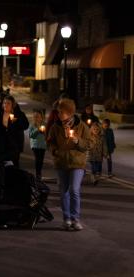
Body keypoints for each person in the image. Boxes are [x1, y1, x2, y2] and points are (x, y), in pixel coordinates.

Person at [47, 98, 91, 231]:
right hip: (61, 163)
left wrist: (78, 141)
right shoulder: (56, 127)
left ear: (70, 112)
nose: (59, 114)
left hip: (77, 163)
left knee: (74, 190)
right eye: (58, 112)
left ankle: (75, 219)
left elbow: (89, 143)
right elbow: (50, 142)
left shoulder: (81, 125)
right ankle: (66, 219)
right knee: (63, 191)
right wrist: (54, 150)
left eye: (62, 112)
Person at [28, 110, 47, 180]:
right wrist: (37, 130)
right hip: (35, 145)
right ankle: (38, 174)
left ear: (41, 118)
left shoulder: (44, 124)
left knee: (41, 160)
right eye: (35, 117)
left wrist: (44, 132)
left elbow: (47, 135)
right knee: (38, 159)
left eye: (38, 117)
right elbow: (31, 135)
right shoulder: (32, 125)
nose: (36, 118)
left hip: (43, 145)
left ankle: (39, 172)